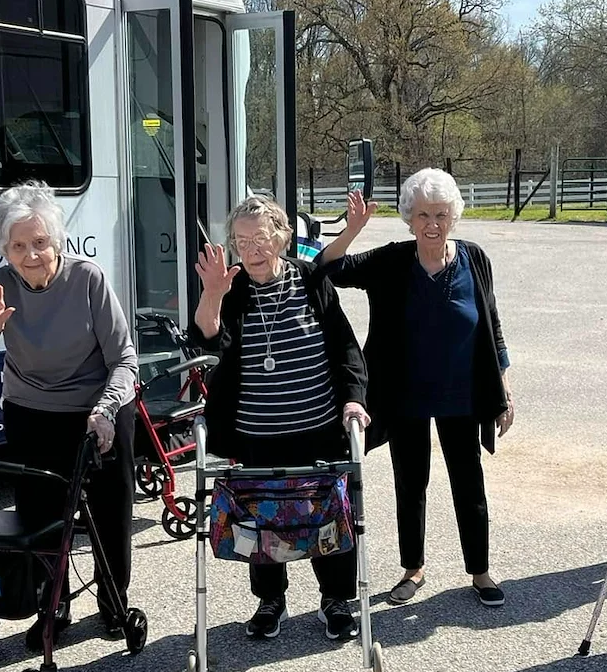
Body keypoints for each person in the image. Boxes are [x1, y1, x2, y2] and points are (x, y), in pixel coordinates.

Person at [0, 182, 139, 650]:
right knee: (40, 515)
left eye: (40, 242)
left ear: (56, 239)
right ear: (4, 250)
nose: (32, 254)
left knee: (109, 511)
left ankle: (114, 600)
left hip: (99, 411)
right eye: (18, 246)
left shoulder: (87, 278)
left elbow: (125, 358)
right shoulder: (2, 287)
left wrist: (105, 410)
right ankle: (53, 605)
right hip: (32, 412)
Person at [317, 171, 513, 609]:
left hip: (462, 396)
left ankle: (480, 572)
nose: (432, 223)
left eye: (441, 214)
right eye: (423, 214)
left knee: (469, 483)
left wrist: (504, 388)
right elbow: (328, 269)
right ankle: (413, 569)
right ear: (409, 218)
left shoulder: (475, 260)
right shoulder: (390, 261)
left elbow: (492, 327)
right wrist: (352, 230)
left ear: (453, 216)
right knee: (410, 483)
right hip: (404, 396)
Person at [191, 195, 369, 641]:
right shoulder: (232, 290)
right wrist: (212, 293)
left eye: (261, 238)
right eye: (241, 240)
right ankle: (271, 599)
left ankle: (336, 599)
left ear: (282, 237)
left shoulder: (310, 281)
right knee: (260, 520)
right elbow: (208, 342)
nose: (251, 249)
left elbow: (346, 348)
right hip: (255, 435)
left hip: (318, 429)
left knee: (328, 514)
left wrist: (353, 399)